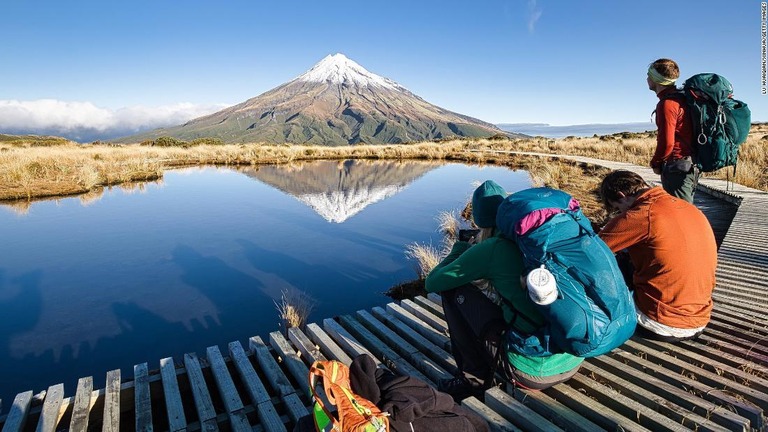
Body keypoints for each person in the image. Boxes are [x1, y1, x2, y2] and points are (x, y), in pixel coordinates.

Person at [425, 180, 583, 400]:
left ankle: (473, 379)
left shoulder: (492, 249)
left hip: (531, 372)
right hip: (572, 357)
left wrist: (458, 249)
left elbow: (432, 283)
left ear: (480, 221)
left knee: (454, 290)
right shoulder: (534, 238)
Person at [598, 170, 717, 342]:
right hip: (699, 318)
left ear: (621, 195)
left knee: (604, 265)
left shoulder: (640, 214)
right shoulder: (688, 207)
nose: (620, 214)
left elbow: (590, 250)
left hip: (661, 322)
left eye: (617, 209)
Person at [647, 58, 698, 203]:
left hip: (677, 166)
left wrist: (656, 163)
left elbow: (667, 142)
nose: (646, 78)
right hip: (688, 164)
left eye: (649, 75)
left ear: (656, 79)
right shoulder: (681, 98)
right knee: (684, 210)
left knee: (681, 213)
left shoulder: (667, 104)